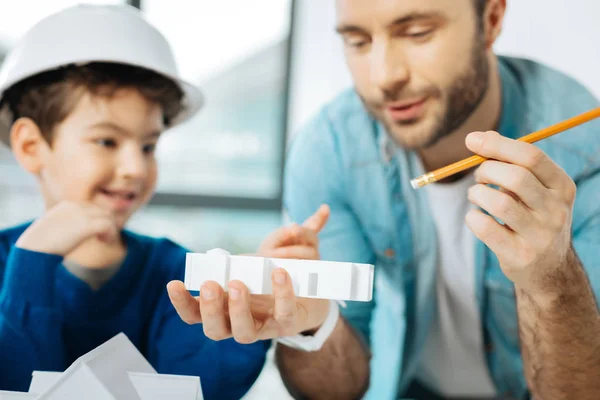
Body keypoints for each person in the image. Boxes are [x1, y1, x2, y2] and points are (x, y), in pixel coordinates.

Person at [0, 5, 330, 399]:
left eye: (149, 145)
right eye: (107, 141)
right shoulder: (10, 263)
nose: (135, 167)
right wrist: (32, 263)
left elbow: (203, 389)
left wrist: (243, 313)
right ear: (31, 146)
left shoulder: (176, 274)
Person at [273, 0, 599, 399]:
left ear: (492, 19)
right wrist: (309, 324)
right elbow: (337, 390)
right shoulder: (329, 151)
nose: (384, 77)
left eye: (416, 34)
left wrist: (552, 279)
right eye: (358, 41)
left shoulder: (585, 151)